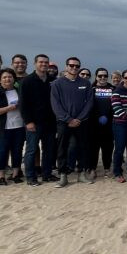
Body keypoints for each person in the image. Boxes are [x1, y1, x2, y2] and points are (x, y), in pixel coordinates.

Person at [50, 57, 94, 186]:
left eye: (77, 66)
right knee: (62, 148)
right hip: (64, 122)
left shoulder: (85, 83)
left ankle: (81, 174)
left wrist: (79, 118)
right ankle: (63, 175)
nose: (74, 68)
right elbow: (55, 104)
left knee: (82, 147)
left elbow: (89, 103)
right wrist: (68, 119)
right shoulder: (57, 83)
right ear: (66, 66)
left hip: (82, 121)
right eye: (71, 65)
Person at [20, 54, 57, 187]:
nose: (44, 64)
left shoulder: (52, 80)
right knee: (31, 150)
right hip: (33, 123)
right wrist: (28, 121)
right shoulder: (27, 81)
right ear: (35, 63)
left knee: (48, 150)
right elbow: (23, 104)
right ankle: (31, 177)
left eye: (46, 62)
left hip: (50, 122)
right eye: (41, 62)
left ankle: (47, 174)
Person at [0, 68, 25, 185]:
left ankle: (15, 174)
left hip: (19, 126)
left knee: (17, 151)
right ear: (0, 80)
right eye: (4, 77)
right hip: (2, 128)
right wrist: (8, 108)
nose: (7, 79)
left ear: (14, 79)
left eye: (10, 77)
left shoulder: (19, 91)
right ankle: (1, 176)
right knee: (1, 151)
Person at [89, 68, 115, 178]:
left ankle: (107, 168)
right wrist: (97, 116)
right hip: (94, 123)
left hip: (109, 123)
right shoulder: (91, 88)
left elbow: (116, 104)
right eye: (100, 76)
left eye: (105, 76)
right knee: (93, 148)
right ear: (96, 77)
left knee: (108, 147)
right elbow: (88, 105)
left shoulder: (113, 88)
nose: (103, 78)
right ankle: (92, 169)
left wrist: (108, 116)